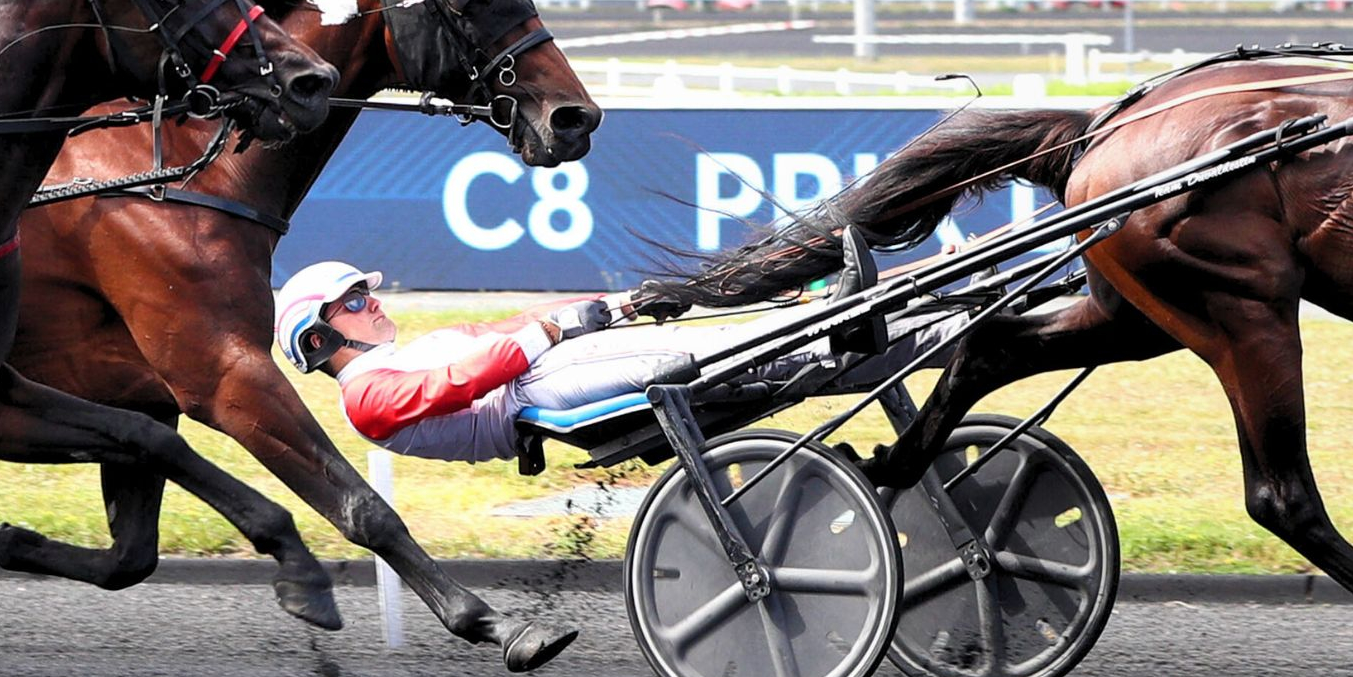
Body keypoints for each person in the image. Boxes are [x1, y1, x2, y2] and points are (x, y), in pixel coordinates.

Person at [274, 253, 902, 464]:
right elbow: (460, 383)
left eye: (366, 292)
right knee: (699, 353)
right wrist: (552, 329)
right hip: (532, 400)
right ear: (320, 341)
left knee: (701, 334)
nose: (372, 303)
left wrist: (617, 302)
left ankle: (881, 323)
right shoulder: (364, 399)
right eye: (353, 302)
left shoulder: (405, 351)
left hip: (543, 375)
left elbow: (510, 327)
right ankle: (832, 336)